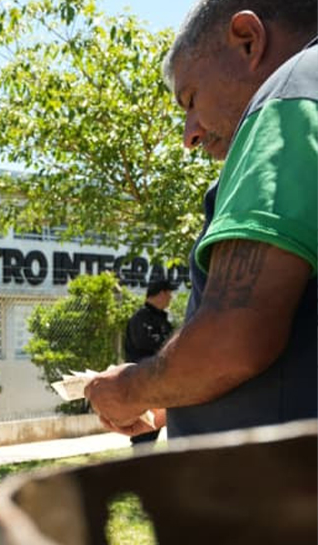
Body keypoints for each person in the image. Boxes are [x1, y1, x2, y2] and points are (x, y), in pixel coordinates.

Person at [85, 0, 316, 439]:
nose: (190, 134)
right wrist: (169, 401)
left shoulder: (290, 95)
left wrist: (129, 390)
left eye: (191, 100)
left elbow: (234, 340)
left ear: (248, 40)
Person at [122, 279, 177, 444]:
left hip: (161, 383)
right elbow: (145, 345)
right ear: (161, 293)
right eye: (169, 293)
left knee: (158, 428)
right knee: (144, 434)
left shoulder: (163, 320)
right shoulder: (140, 318)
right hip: (143, 384)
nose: (171, 298)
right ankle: (138, 465)